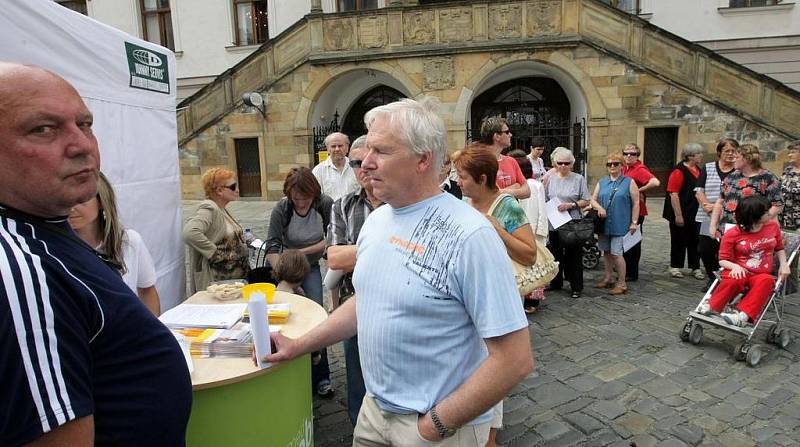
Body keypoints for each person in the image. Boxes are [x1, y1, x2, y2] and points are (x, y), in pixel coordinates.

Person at [263, 98, 534, 446]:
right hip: (374, 414)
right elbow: (368, 302)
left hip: (435, 426)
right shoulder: (378, 221)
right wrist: (298, 346)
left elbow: (515, 359)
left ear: (423, 159)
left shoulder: (471, 235)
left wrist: (434, 426)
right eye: (366, 150)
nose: (366, 163)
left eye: (381, 151)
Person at [0, 62, 191, 445]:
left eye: (85, 124)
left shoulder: (47, 233)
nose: (83, 145)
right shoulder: (22, 266)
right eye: (43, 129)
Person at [452, 144, 535, 447]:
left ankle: (490, 436)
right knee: (472, 361)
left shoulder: (507, 205)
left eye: (462, 176)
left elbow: (529, 254)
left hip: (499, 297)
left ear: (482, 178)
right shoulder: (461, 205)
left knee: (494, 361)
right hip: (467, 298)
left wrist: (497, 230)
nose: (457, 181)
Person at [327, 137, 384, 426]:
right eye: (356, 163)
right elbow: (335, 257)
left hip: (396, 299)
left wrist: (356, 253)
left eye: (366, 162)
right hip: (356, 300)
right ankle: (360, 425)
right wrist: (391, 248)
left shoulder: (400, 203)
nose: (362, 168)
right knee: (357, 370)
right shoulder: (343, 206)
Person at [265, 166, 335, 397]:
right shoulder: (282, 209)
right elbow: (273, 247)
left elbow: (332, 240)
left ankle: (321, 375)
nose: (301, 203)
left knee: (316, 318)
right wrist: (287, 279)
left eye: (306, 198)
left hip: (311, 266)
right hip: (288, 269)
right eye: (296, 199)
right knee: (286, 317)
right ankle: (290, 372)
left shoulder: (324, 204)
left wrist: (302, 251)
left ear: (314, 193)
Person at [69, 171, 161, 315]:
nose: (71, 208)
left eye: (81, 200)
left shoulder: (128, 241)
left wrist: (152, 332)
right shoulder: (54, 247)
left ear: (101, 201)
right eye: (64, 200)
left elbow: (147, 290)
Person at [699, 196, 790, 327]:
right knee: (734, 279)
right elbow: (722, 260)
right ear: (754, 216)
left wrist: (784, 264)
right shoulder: (733, 233)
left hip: (760, 273)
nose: (770, 213)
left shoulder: (772, 227)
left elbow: (779, 247)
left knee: (767, 280)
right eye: (766, 212)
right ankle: (712, 306)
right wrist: (735, 266)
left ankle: (741, 316)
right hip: (737, 270)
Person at [183, 167, 250, 294]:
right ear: (219, 190)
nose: (237, 190)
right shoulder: (210, 208)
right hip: (219, 282)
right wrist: (214, 253)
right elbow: (190, 232)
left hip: (233, 280)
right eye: (233, 186)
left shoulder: (222, 209)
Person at [709, 143, 783, 239]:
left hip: (753, 231)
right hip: (727, 230)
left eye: (737, 157)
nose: (733, 159)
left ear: (746, 159)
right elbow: (720, 201)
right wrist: (713, 226)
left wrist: (759, 221)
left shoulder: (767, 177)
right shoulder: (732, 176)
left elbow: (778, 205)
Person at [590, 153, 640, 295]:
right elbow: (593, 199)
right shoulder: (602, 182)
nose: (612, 166)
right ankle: (608, 277)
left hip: (620, 223)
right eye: (609, 164)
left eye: (615, 164)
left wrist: (634, 222)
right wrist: (599, 207)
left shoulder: (629, 182)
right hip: (604, 224)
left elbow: (636, 203)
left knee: (617, 253)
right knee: (606, 252)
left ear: (622, 166)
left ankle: (622, 283)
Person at [545, 147, 591, 298]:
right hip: (555, 222)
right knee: (555, 254)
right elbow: (546, 198)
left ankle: (576, 286)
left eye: (566, 163)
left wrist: (571, 205)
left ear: (572, 163)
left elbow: (586, 200)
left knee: (574, 256)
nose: (563, 166)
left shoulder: (578, 179)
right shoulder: (550, 179)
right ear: (555, 163)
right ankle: (556, 282)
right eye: (560, 163)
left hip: (572, 223)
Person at [695, 138, 738, 285]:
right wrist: (707, 205)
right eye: (727, 151)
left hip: (730, 218)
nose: (731, 154)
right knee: (705, 249)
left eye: (734, 151)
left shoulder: (738, 171)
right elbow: (699, 190)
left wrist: (719, 208)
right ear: (719, 153)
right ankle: (713, 276)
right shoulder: (708, 167)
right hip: (707, 216)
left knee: (726, 249)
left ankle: (725, 279)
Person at [663, 143, 704, 279]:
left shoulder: (699, 169)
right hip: (680, 210)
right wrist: (678, 216)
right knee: (679, 239)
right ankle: (675, 266)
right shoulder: (678, 171)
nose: (701, 156)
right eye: (699, 154)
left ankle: (695, 267)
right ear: (691, 156)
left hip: (695, 212)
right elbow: (673, 194)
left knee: (695, 240)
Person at [620, 143, 660, 281]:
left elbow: (655, 182)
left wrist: (638, 190)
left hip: (637, 211)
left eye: (633, 154)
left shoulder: (639, 169)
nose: (629, 156)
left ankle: (631, 272)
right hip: (625, 210)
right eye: (626, 153)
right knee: (624, 240)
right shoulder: (624, 168)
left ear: (638, 156)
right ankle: (624, 269)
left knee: (632, 242)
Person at [479, 117, 531, 199]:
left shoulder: (511, 161)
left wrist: (502, 192)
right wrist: (515, 186)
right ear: (497, 136)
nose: (510, 135)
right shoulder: (479, 163)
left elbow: (527, 192)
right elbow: (485, 196)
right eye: (507, 132)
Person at [312, 131, 359, 201]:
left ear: (347, 148)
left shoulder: (357, 167)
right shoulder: (318, 171)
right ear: (328, 149)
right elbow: (315, 197)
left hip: (353, 210)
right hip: (329, 211)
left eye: (340, 146)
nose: (337, 149)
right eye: (333, 146)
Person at [780, 140, 800, 231]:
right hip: (783, 220)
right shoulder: (787, 170)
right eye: (789, 152)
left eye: (793, 152)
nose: (789, 155)